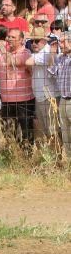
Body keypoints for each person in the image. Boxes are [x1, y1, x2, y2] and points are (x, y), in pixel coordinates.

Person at [0, 27, 34, 147]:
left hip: (24, 100)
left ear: (21, 40)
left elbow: (12, 62)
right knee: (8, 131)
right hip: (7, 100)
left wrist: (2, 46)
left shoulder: (26, 53)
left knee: (25, 132)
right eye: (9, 36)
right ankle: (13, 155)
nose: (9, 39)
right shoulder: (1, 54)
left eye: (13, 37)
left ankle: (26, 157)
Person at [25, 27, 58, 141]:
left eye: (36, 41)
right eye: (31, 41)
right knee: (46, 131)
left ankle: (58, 157)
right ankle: (52, 155)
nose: (33, 44)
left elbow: (27, 62)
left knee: (52, 130)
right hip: (40, 96)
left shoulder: (46, 52)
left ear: (44, 41)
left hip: (48, 97)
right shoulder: (39, 53)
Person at [50, 31, 71, 161]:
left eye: (63, 42)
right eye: (59, 42)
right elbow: (52, 71)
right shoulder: (60, 58)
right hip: (63, 99)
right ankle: (69, 162)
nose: (60, 45)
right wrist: (52, 53)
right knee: (66, 133)